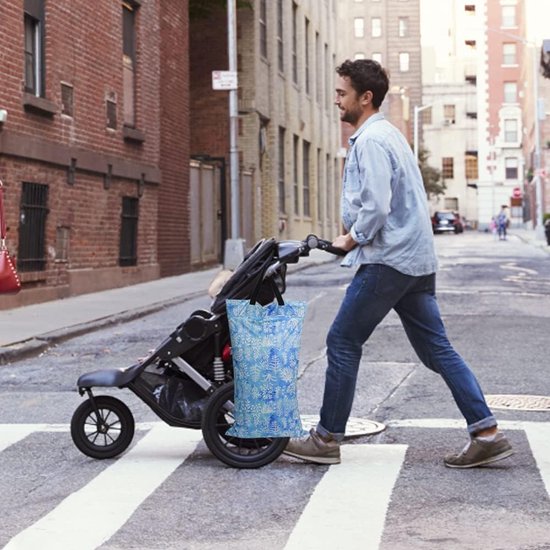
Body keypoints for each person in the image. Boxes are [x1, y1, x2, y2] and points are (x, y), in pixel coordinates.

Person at [284, 59, 513, 468]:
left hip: (389, 260)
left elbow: (376, 207)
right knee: (436, 349)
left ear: (364, 97)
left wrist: (350, 238)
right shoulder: (390, 134)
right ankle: (486, 432)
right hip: (417, 261)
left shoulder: (371, 141)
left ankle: (324, 439)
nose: (336, 99)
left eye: (342, 93)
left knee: (342, 341)